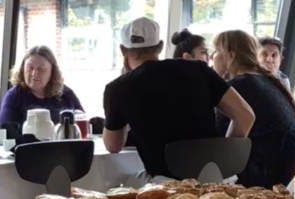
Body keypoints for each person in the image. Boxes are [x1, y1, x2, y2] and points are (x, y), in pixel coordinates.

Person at [103, 17, 255, 184]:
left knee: (116, 185)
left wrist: (124, 101)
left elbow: (113, 146)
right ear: (160, 46)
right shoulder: (198, 69)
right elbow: (245, 116)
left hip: (163, 185)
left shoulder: (118, 88)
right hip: (213, 181)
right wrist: (222, 161)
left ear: (122, 50)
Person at [211, 30, 295, 138]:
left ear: (231, 55)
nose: (211, 56)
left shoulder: (237, 86)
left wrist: (215, 79)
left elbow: (215, 133)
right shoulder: (267, 81)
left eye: (216, 51)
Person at [0, 46, 84, 126]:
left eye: (41, 69)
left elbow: (83, 122)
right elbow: (6, 132)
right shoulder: (14, 96)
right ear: (22, 69)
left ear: (52, 72)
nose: (34, 73)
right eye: (30, 68)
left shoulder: (66, 94)